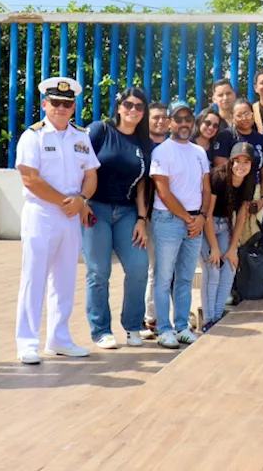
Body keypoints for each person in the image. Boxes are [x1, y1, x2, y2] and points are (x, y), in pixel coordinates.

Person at [15, 76, 100, 365]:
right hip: (42, 212)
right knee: (34, 278)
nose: (61, 108)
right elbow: (30, 178)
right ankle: (27, 342)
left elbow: (90, 174)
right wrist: (66, 202)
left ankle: (59, 338)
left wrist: (82, 200)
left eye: (67, 104)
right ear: (44, 104)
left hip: (72, 212)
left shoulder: (80, 136)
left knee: (64, 278)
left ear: (74, 107)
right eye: (56, 103)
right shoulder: (33, 136)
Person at [83, 87, 152, 350]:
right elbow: (81, 165)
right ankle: (100, 329)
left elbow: (143, 184)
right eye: (129, 105)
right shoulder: (100, 130)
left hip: (127, 212)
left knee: (137, 267)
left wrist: (142, 219)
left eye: (139, 107)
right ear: (119, 107)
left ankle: (133, 326)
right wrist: (82, 201)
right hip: (95, 209)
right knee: (99, 272)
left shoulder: (143, 143)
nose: (133, 110)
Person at [149, 101, 212, 349]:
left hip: (195, 221)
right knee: (164, 278)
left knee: (185, 278)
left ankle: (182, 326)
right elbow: (163, 192)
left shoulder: (199, 153)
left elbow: (206, 189)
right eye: (179, 119)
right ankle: (164, 329)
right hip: (169, 221)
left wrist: (202, 217)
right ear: (170, 122)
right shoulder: (162, 152)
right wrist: (189, 219)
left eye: (188, 119)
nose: (184, 123)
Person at [200, 142, 256, 332]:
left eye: (246, 162)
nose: (241, 166)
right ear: (230, 162)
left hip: (224, 225)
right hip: (206, 225)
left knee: (230, 267)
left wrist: (233, 249)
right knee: (213, 269)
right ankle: (208, 319)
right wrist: (215, 248)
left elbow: (241, 216)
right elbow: (206, 213)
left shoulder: (249, 181)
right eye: (237, 161)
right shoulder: (218, 177)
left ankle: (217, 315)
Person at [142, 100, 170, 337]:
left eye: (164, 117)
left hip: (170, 216)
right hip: (145, 216)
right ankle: (149, 318)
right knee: (147, 268)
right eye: (155, 117)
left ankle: (155, 317)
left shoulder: (175, 146)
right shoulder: (141, 146)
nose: (160, 121)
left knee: (162, 269)